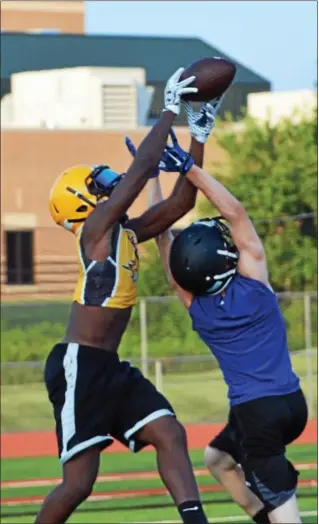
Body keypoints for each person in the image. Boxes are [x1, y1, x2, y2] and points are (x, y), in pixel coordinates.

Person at [35, 67, 216, 524]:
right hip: (81, 363)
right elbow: (138, 173)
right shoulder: (95, 230)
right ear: (81, 201)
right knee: (78, 484)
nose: (108, 183)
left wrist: (197, 140)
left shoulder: (124, 232)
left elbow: (181, 205)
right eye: (97, 182)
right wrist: (170, 106)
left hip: (109, 365)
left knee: (169, 432)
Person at [147, 127, 308, 524]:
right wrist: (191, 171)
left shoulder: (199, 310)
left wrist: (151, 177)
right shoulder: (255, 282)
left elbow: (162, 238)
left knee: (286, 513)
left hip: (257, 416)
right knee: (216, 460)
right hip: (291, 405)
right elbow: (235, 212)